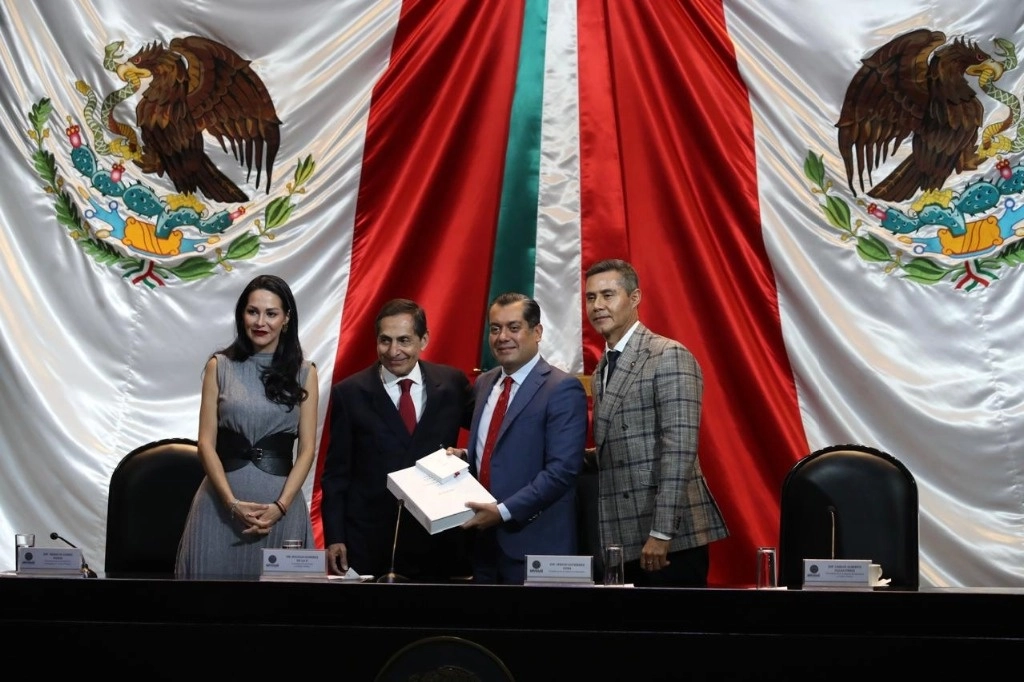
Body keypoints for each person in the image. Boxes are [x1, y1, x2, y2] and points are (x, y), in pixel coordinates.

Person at [584, 259, 728, 587]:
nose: (598, 306)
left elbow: (679, 451)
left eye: (608, 294)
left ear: (635, 298)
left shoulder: (668, 355)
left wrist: (662, 532)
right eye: (591, 298)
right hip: (623, 535)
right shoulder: (603, 368)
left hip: (667, 540)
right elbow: (623, 448)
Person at [175, 274, 319, 579]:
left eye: (271, 313)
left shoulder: (305, 373)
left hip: (282, 512)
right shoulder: (219, 365)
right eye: (252, 311)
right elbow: (205, 444)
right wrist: (231, 504)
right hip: (218, 511)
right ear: (242, 315)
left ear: (286, 318)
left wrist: (280, 507)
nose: (260, 321)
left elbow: (307, 450)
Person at [320, 299, 474, 581]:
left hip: (437, 541)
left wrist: (464, 453)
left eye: (404, 340)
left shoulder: (452, 384)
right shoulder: (350, 393)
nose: (393, 351)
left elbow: (490, 438)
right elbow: (336, 474)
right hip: (370, 540)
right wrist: (335, 536)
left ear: (423, 339)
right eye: (385, 341)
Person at [461, 292, 588, 584]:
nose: (502, 336)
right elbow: (505, 448)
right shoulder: (484, 383)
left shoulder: (562, 388)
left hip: (538, 549)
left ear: (537, 332)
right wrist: (466, 457)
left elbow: (563, 470)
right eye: (495, 328)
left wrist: (503, 512)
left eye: (513, 327)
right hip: (482, 548)